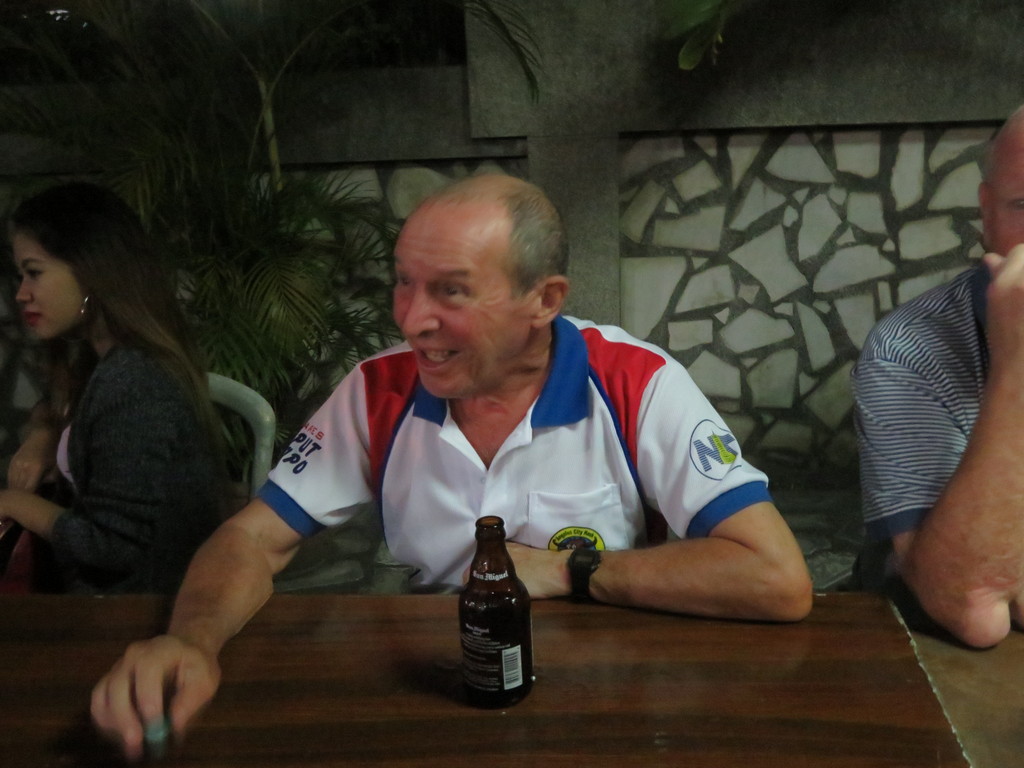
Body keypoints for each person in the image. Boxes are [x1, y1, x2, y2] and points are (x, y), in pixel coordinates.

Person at [90, 173, 811, 760]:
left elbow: (776, 578)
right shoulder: (378, 390)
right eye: (405, 283)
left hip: (607, 702)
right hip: (438, 689)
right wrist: (189, 641)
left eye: (451, 290)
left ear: (544, 300)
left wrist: (571, 571)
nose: (411, 320)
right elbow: (252, 538)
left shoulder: (634, 383)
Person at [852, 106, 1024, 649]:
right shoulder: (906, 350)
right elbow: (971, 604)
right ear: (986, 213)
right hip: (935, 662)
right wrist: (1017, 367)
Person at [0, 181, 223, 594]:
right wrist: (44, 435)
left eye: (34, 272)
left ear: (91, 272)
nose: (21, 294)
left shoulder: (133, 381)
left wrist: (15, 503)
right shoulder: (105, 358)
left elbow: (114, 547)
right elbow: (59, 409)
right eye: (20, 275)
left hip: (136, 612)